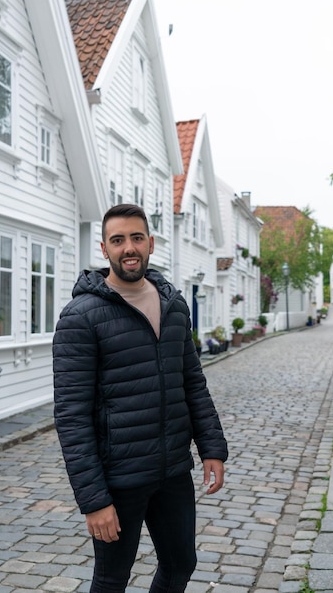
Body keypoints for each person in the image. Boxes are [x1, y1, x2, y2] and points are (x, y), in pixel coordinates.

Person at [53, 203, 228, 593]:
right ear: (104, 249)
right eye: (118, 240)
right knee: (112, 579)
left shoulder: (173, 304)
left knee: (182, 563)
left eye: (136, 238)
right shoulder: (80, 316)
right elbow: (71, 415)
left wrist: (212, 447)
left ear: (150, 243)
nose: (128, 247)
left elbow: (192, 381)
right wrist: (94, 500)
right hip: (119, 477)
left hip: (171, 470)